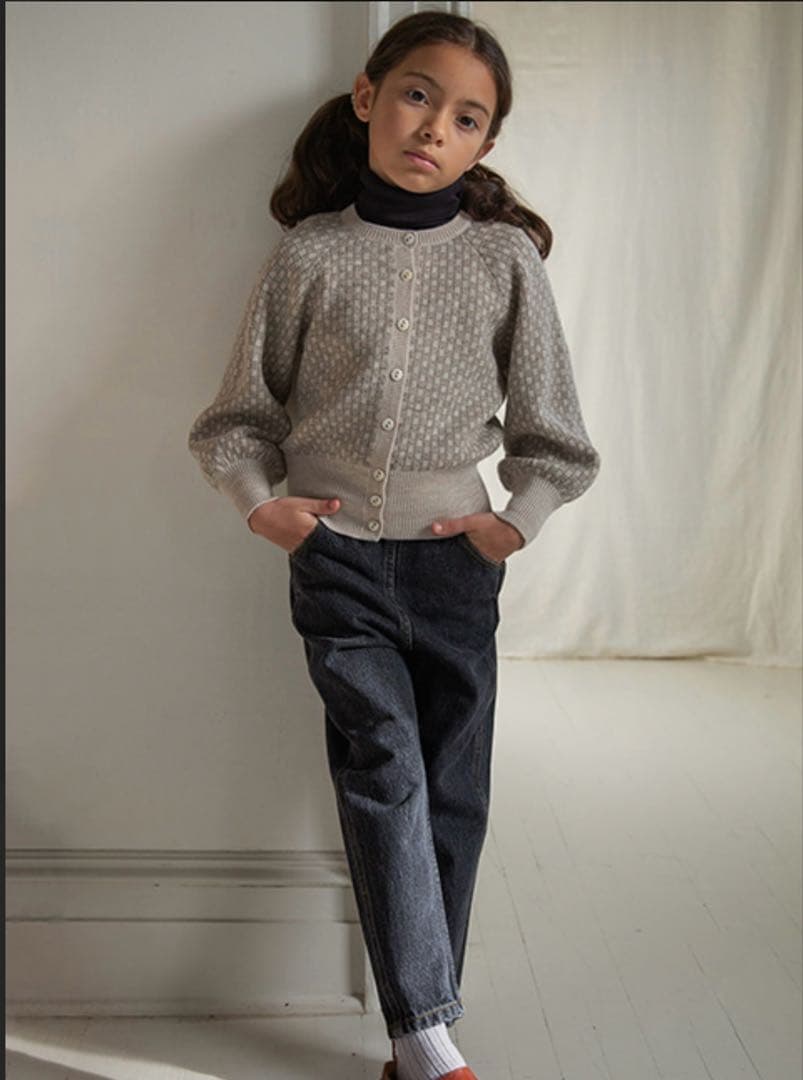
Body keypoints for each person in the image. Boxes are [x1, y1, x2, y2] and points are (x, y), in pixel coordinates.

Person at [188, 11, 601, 1080]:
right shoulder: (309, 254)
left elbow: (555, 434)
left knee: (452, 790)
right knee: (384, 766)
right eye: (417, 95)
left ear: (484, 144)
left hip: (456, 565)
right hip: (336, 560)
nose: (433, 128)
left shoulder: (504, 260)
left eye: (466, 118)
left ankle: (423, 1026)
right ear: (368, 96)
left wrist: (512, 523)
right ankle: (423, 1035)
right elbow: (237, 418)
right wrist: (261, 504)